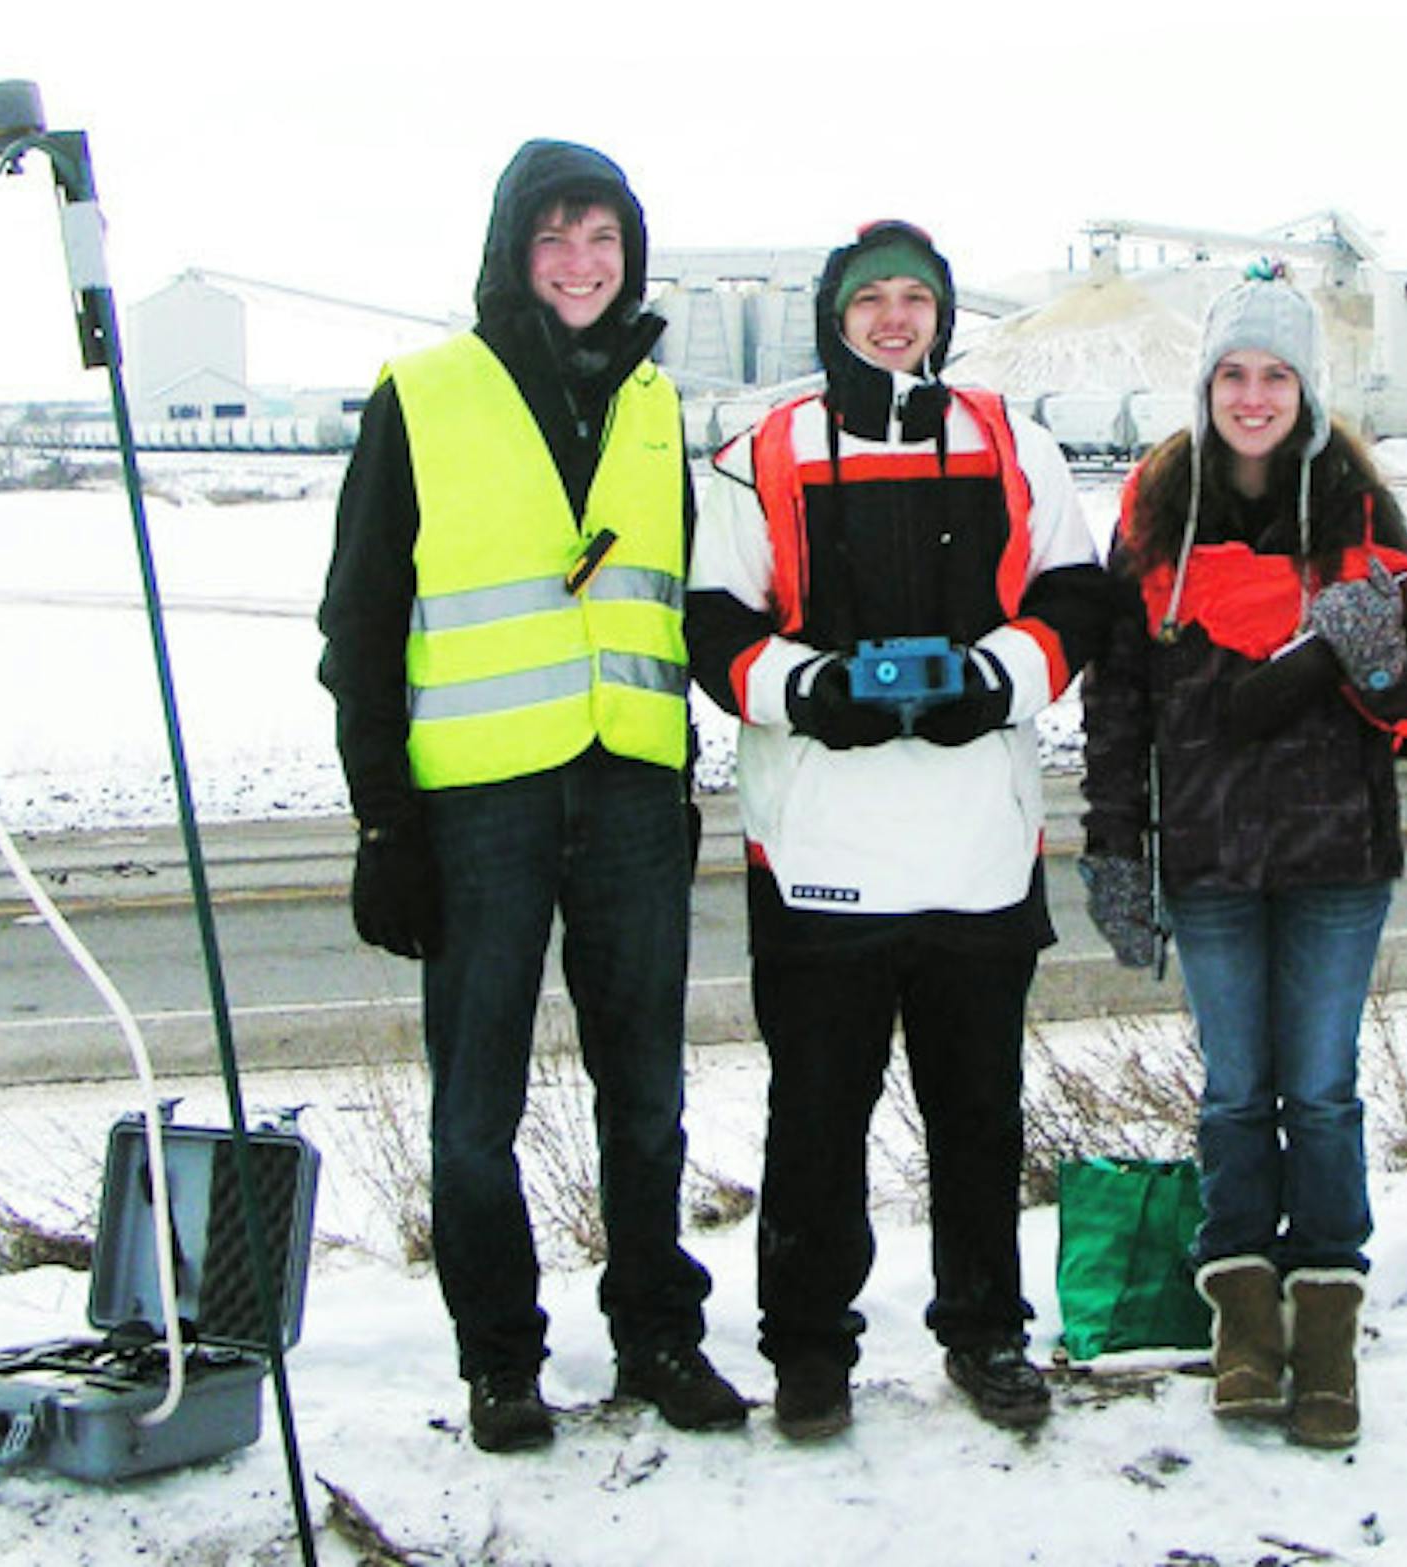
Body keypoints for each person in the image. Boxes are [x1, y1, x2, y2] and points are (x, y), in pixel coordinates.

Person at [317, 139, 746, 1454]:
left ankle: (658, 1332)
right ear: (515, 250)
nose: (582, 261)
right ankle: (501, 1358)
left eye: (603, 236)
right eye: (556, 236)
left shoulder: (658, 400)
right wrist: (385, 817)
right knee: (475, 1108)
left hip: (624, 784)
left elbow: (669, 599)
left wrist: (672, 773)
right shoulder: (424, 393)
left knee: (649, 1091)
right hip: (479, 802)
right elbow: (361, 616)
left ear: (632, 253)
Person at [685, 220, 1112, 1439]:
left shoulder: (1012, 441)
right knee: (816, 1117)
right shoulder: (757, 454)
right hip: (818, 855)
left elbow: (1075, 598)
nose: (891, 318)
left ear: (941, 314)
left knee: (979, 1115)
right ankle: (810, 1350)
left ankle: (985, 1333)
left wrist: (992, 679)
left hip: (979, 850)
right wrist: (815, 692)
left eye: (912, 298)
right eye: (868, 298)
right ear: (835, 317)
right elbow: (716, 627)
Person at [1078, 265, 1407, 1450]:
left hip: (1335, 862)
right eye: (1233, 373)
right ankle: (1243, 1324)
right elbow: (1119, 704)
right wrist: (1117, 847)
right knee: (1229, 1095)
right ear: (1205, 382)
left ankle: (1326, 1329)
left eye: (1275, 375)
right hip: (1208, 862)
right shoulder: (1156, 518)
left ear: (1306, 391)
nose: (1252, 396)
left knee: (1319, 1095)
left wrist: (1371, 658)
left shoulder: (1360, 518)